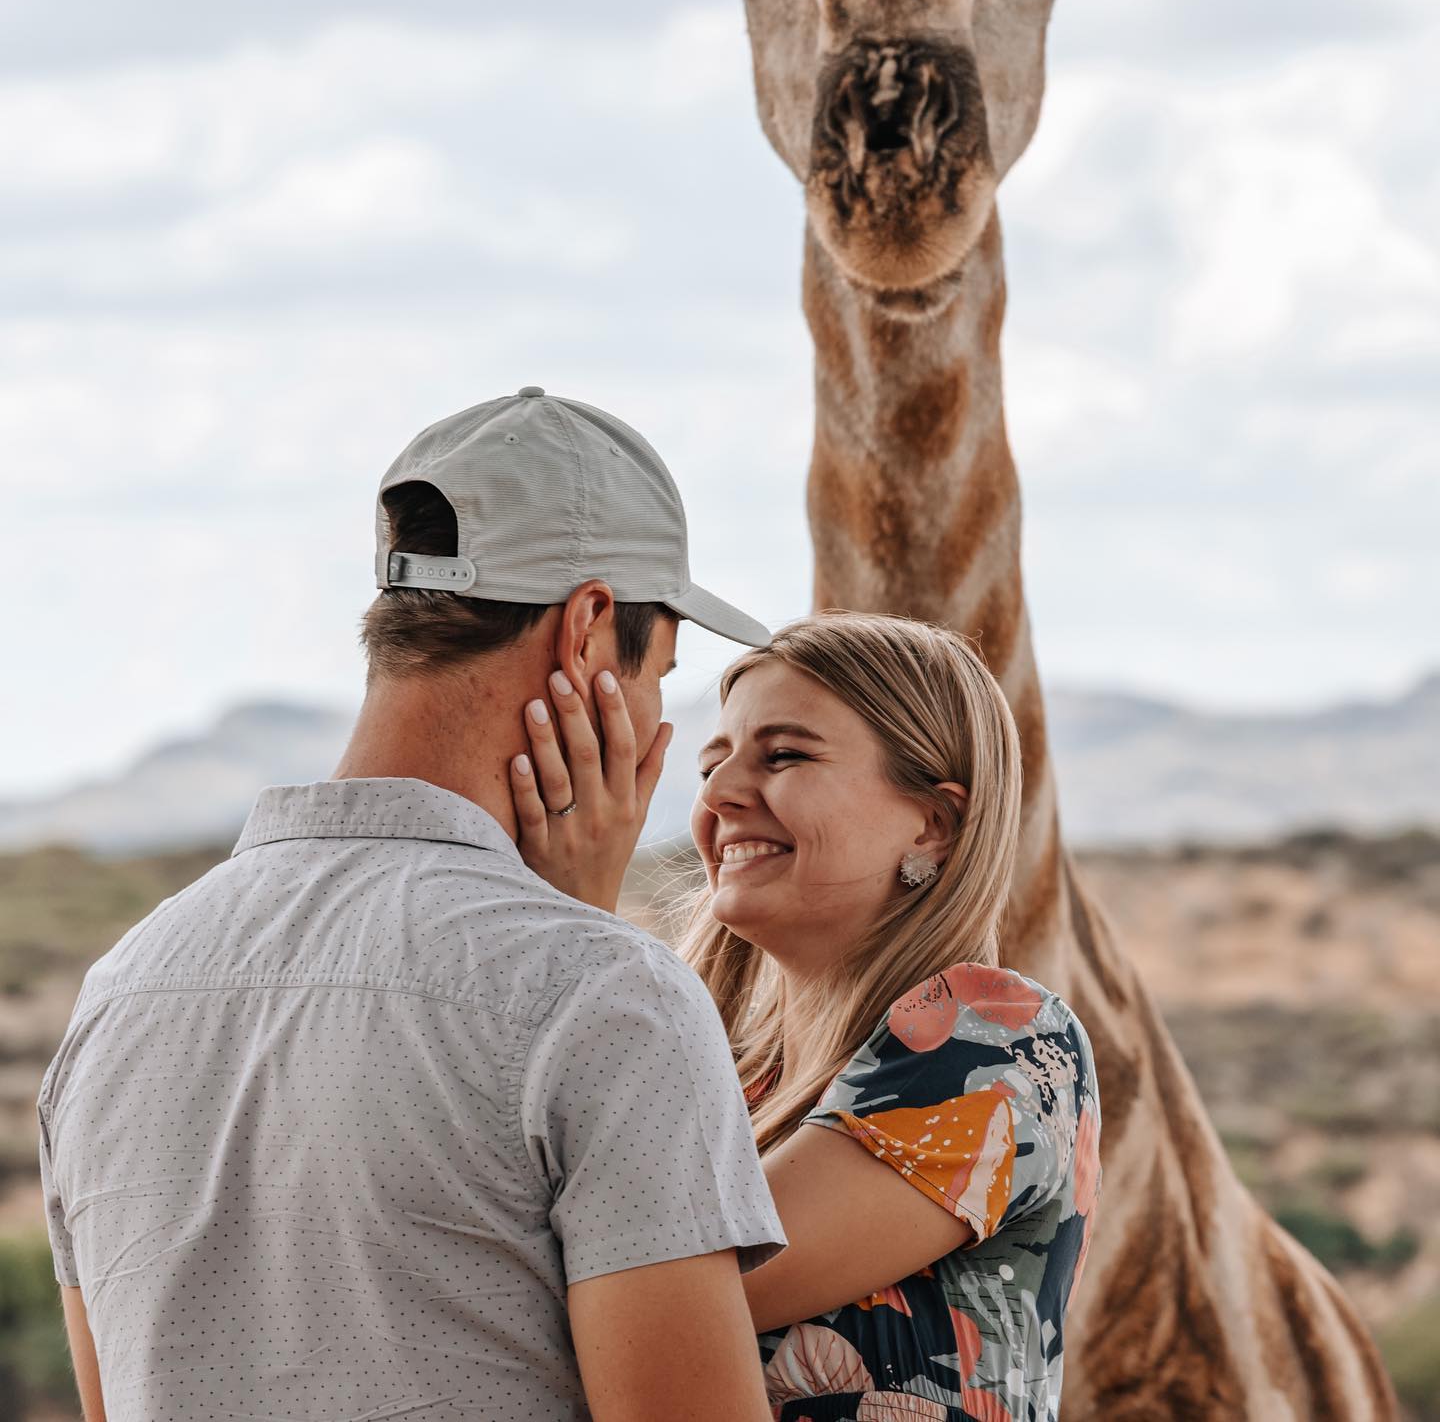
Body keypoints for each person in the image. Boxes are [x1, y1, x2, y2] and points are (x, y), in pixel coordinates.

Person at [37, 387, 787, 1422]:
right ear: (586, 632)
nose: (659, 718)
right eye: (660, 672)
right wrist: (576, 931)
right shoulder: (609, 1001)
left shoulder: (121, 989)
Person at [516, 610, 1101, 1422]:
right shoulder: (723, 1068)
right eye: (712, 764)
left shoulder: (993, 1038)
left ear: (932, 823)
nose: (718, 794)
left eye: (784, 755)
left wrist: (573, 921)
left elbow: (667, 1297)